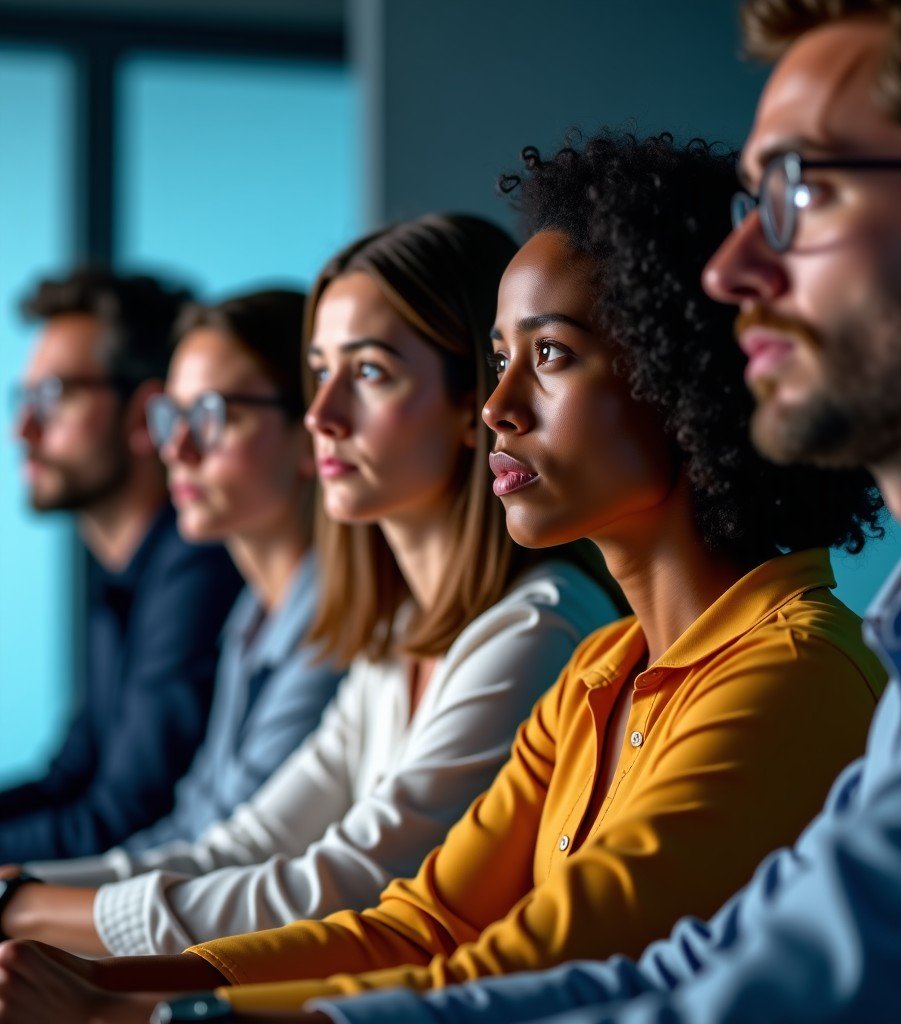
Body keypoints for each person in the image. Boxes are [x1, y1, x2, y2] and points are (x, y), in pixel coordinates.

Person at [2, 138, 895, 1024]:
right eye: (500, 358)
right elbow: (423, 923)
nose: (497, 407)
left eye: (548, 357)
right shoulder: (598, 673)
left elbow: (538, 960)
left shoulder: (792, 676)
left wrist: (135, 1013)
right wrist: (111, 989)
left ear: (682, 375)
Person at [282, 3, 901, 1023]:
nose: (733, 271)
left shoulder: (820, 668)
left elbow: (778, 988)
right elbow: (698, 961)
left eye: (804, 191)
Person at [0, 213, 619, 977]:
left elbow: (348, 885)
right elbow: (249, 843)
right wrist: (27, 892)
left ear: (473, 404)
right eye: (319, 373)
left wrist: (30, 907)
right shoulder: (399, 635)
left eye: (368, 374)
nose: (321, 417)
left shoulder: (538, 629)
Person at [1, 289, 340, 925]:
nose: (176, 447)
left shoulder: (207, 573)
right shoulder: (242, 615)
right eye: (176, 417)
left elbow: (234, 849)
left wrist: (30, 905)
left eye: (57, 395)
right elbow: (184, 817)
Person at [1, 269, 242, 862]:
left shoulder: (199, 567)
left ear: (144, 414)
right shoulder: (122, 578)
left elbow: (121, 819)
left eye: (54, 395)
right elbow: (70, 777)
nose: (23, 429)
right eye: (24, 398)